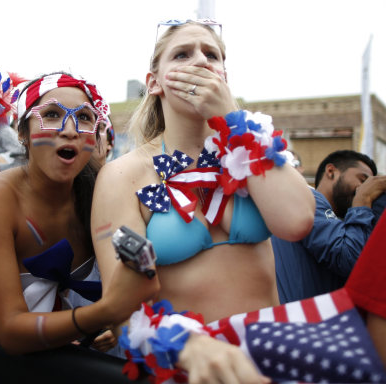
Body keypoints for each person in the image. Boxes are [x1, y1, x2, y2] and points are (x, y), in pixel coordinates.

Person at [89, 19, 385, 383]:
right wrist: (186, 346)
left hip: (272, 362)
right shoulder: (122, 175)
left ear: (224, 77)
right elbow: (121, 309)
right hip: (187, 368)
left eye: (212, 55)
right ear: (154, 83)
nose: (201, 61)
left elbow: (296, 221)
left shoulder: (255, 152)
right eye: (182, 54)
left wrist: (233, 118)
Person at [0, 72, 159, 355]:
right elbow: (9, 332)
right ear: (22, 133)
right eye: (52, 114)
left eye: (84, 118)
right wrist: (106, 312)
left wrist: (114, 328)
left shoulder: (101, 192)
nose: (70, 129)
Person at [272, 149, 386, 303]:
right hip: (296, 320)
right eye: (363, 180)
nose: (366, 189)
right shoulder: (308, 198)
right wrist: (363, 200)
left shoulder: (346, 224)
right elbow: (348, 257)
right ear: (331, 171)